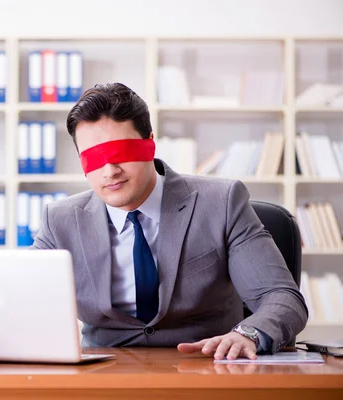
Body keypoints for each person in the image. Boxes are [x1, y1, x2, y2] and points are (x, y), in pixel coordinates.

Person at [31, 82, 308, 360]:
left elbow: (282, 298)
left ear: (150, 144)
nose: (110, 171)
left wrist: (246, 334)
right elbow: (17, 300)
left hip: (206, 369)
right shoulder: (59, 222)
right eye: (93, 158)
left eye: (122, 153)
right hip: (104, 375)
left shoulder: (221, 203)